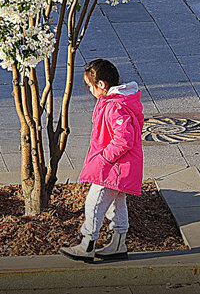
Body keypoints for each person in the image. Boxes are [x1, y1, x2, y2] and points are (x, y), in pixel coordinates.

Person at [60, 58, 144, 262]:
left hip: (113, 167)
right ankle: (118, 243)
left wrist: (105, 158)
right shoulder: (116, 102)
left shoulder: (115, 107)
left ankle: (87, 244)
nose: (89, 90)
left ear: (102, 85)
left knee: (94, 203)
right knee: (117, 203)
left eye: (90, 86)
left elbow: (123, 140)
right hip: (119, 167)